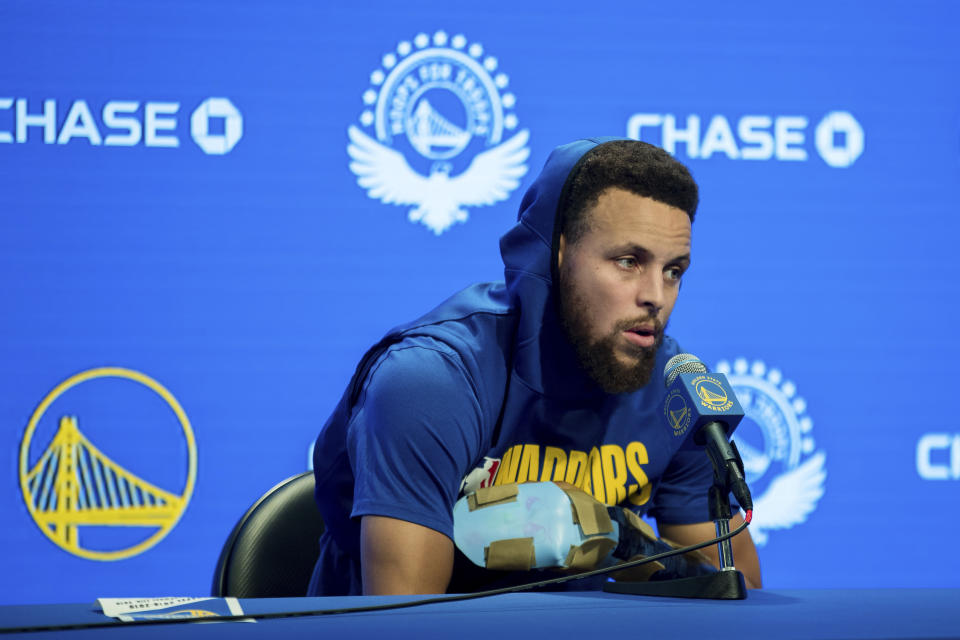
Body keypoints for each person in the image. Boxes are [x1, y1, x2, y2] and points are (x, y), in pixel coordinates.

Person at [307, 137, 762, 596]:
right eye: (628, 261)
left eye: (673, 270)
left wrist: (627, 544)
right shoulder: (431, 380)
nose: (657, 298)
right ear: (557, 252)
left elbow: (731, 599)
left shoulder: (678, 393)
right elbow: (405, 621)